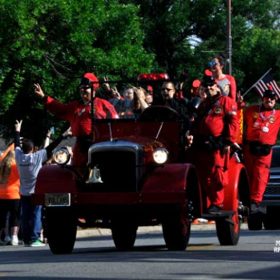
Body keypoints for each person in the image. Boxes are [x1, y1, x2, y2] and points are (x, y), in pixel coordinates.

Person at [34, 72, 119, 167]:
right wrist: (44, 97)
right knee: (76, 173)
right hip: (79, 148)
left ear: (93, 89)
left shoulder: (103, 104)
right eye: (81, 88)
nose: (83, 90)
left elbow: (115, 122)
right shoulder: (75, 106)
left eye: (86, 88)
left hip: (99, 145)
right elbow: (60, 109)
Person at [189, 74, 238, 214]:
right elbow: (197, 122)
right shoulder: (204, 104)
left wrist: (227, 141)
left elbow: (233, 123)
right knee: (203, 175)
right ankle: (209, 203)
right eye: (207, 86)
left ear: (217, 86)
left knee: (217, 174)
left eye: (212, 85)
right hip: (203, 144)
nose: (209, 88)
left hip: (218, 144)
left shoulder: (226, 102)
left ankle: (218, 203)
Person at [14, 120, 65, 247]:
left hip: (23, 192)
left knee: (25, 216)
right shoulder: (36, 157)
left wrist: (17, 131)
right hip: (35, 192)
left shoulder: (19, 156)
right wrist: (62, 136)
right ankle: (34, 238)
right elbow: (50, 147)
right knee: (36, 215)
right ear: (32, 149)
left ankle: (26, 239)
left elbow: (16, 144)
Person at [243, 89, 280, 213]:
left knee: (260, 175)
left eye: (272, 99)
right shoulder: (251, 110)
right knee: (248, 174)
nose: (269, 100)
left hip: (265, 150)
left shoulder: (278, 114)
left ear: (275, 101)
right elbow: (237, 116)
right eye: (266, 98)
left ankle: (255, 201)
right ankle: (245, 199)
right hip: (250, 148)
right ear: (262, 98)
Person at [0, 144, 20, 246]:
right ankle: (14, 237)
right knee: (14, 216)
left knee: (2, 216)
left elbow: (4, 155)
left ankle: (5, 236)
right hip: (14, 194)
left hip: (1, 194)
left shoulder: (1, 163)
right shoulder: (16, 165)